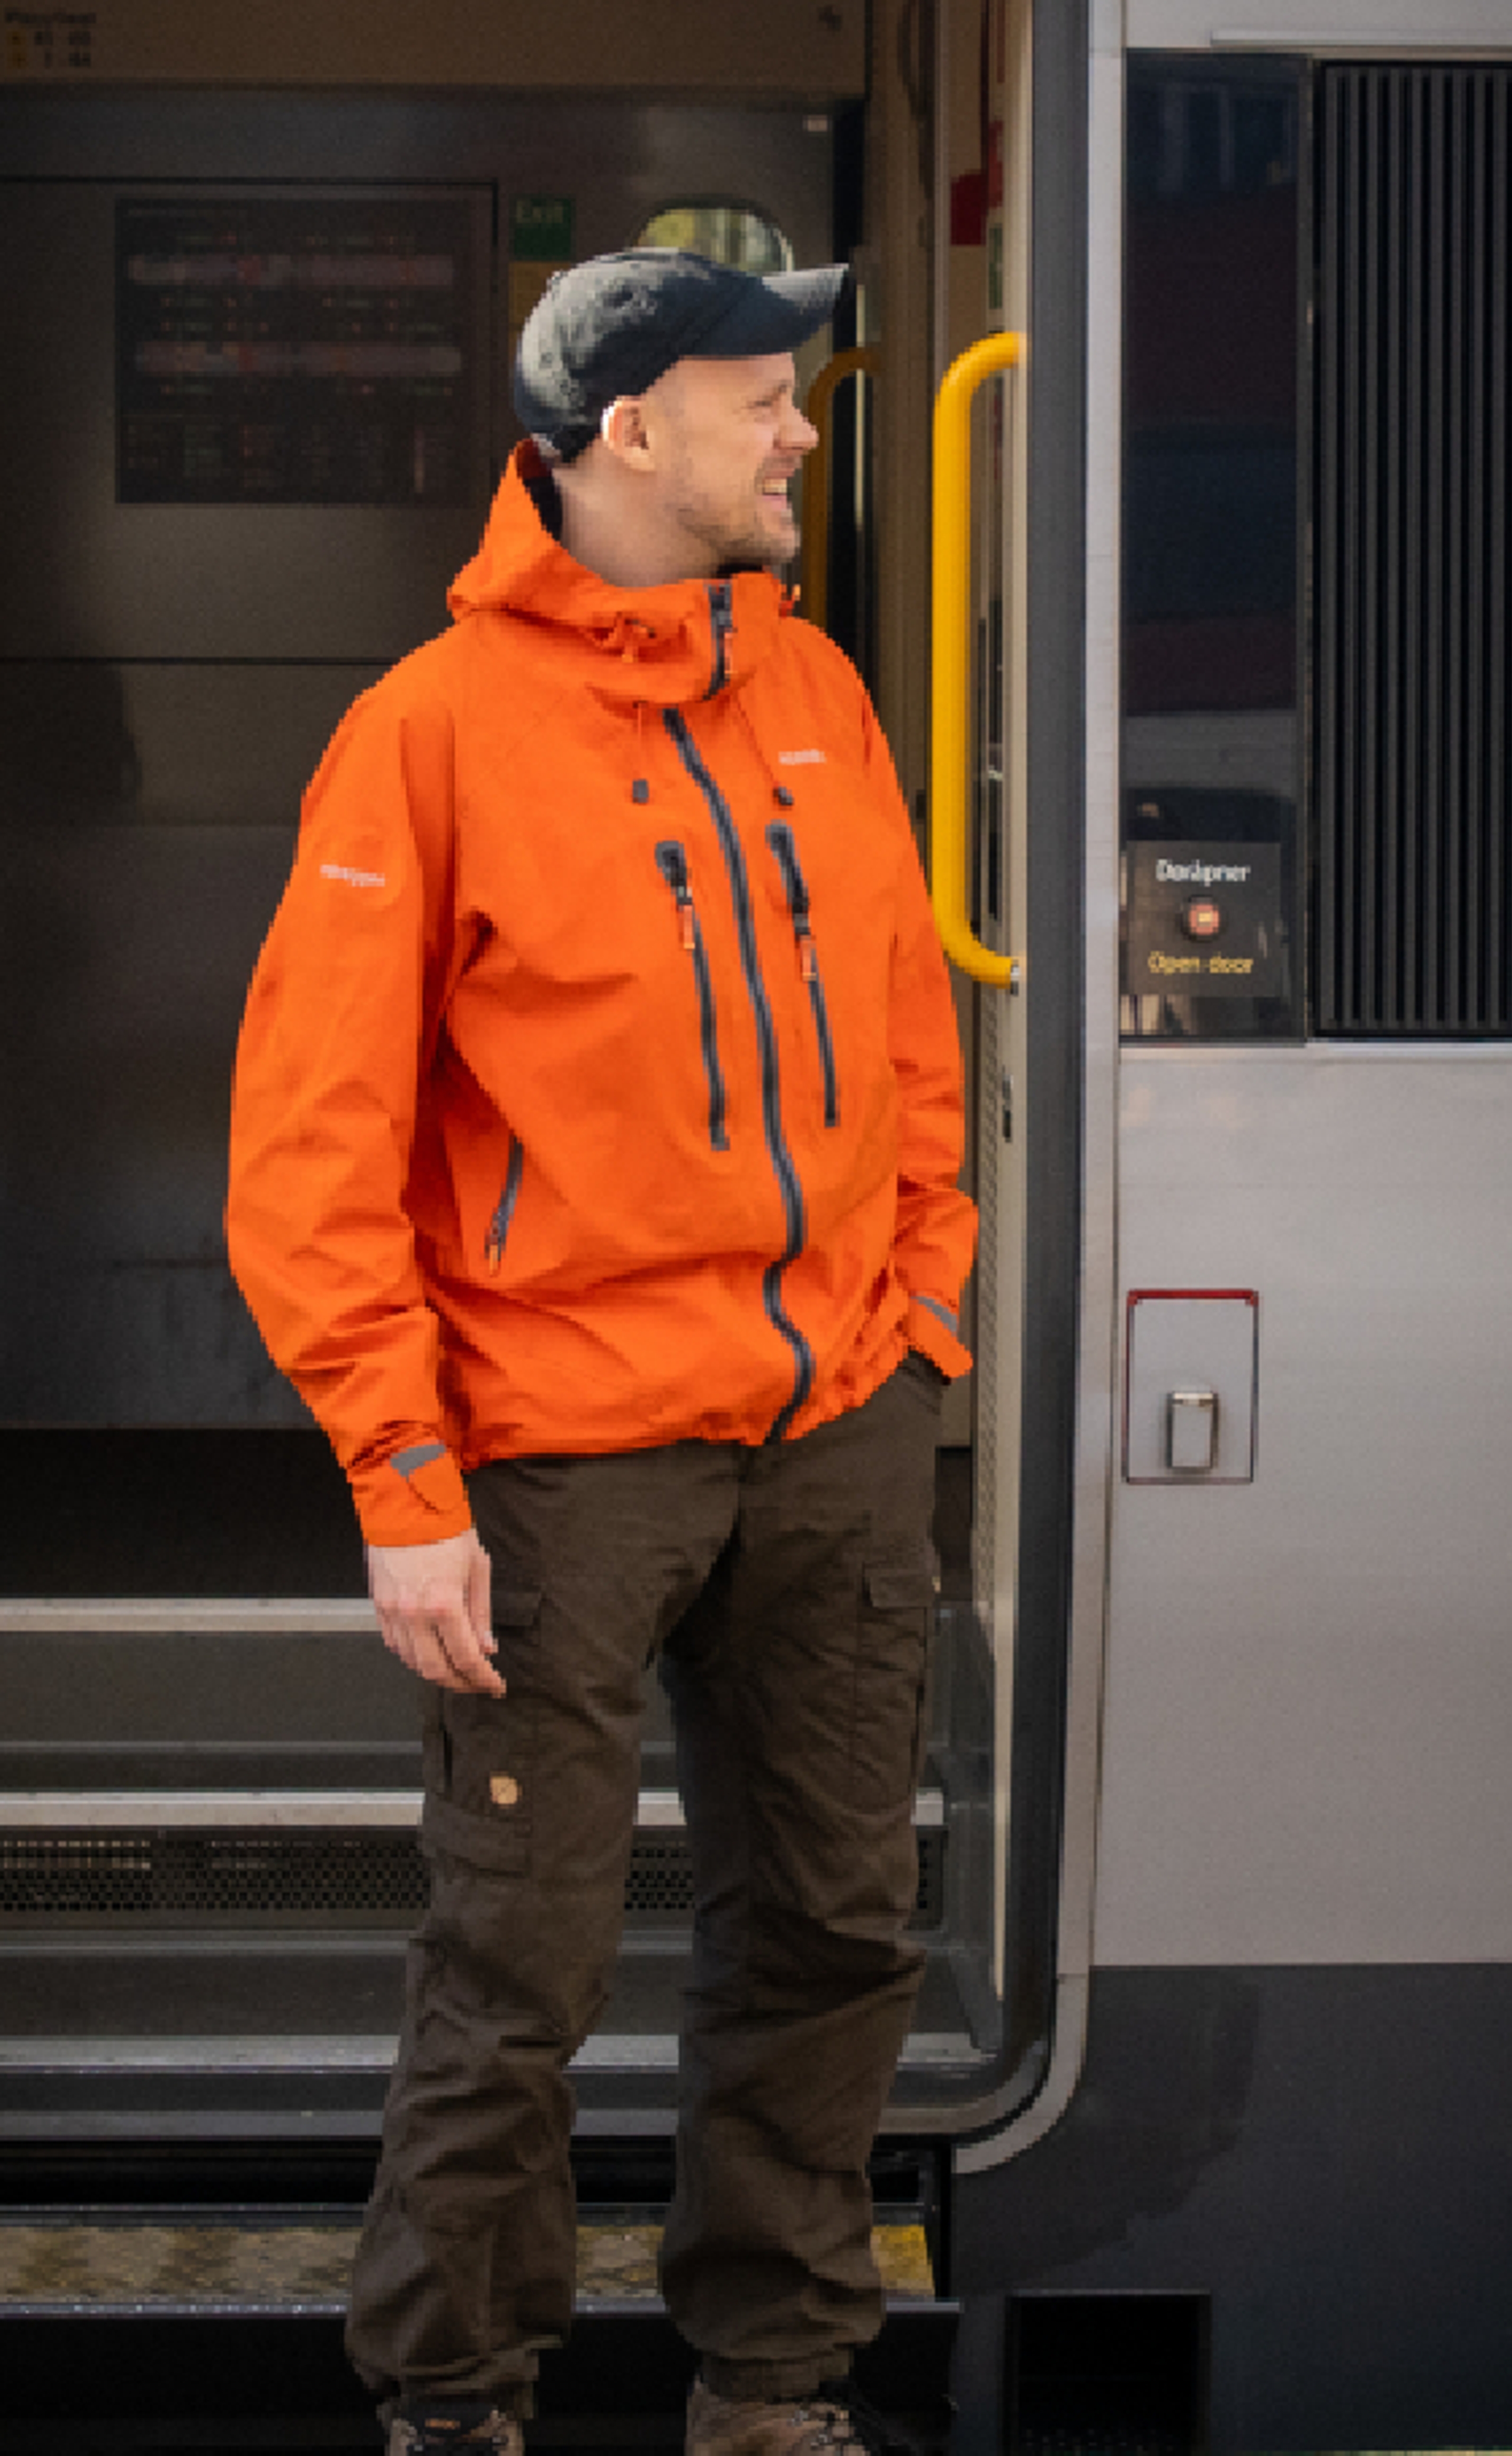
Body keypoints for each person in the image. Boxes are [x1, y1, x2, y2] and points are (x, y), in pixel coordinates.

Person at [227, 248, 976, 2456]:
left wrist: (916, 1308)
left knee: (835, 1924)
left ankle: (774, 2375)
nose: (805, 434)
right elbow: (312, 1147)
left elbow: (912, 1045)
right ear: (629, 430)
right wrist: (401, 1478)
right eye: (769, 398)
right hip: (556, 1454)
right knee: (517, 1967)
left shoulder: (822, 691)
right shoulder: (426, 734)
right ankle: (454, 2397)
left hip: (834, 1422)